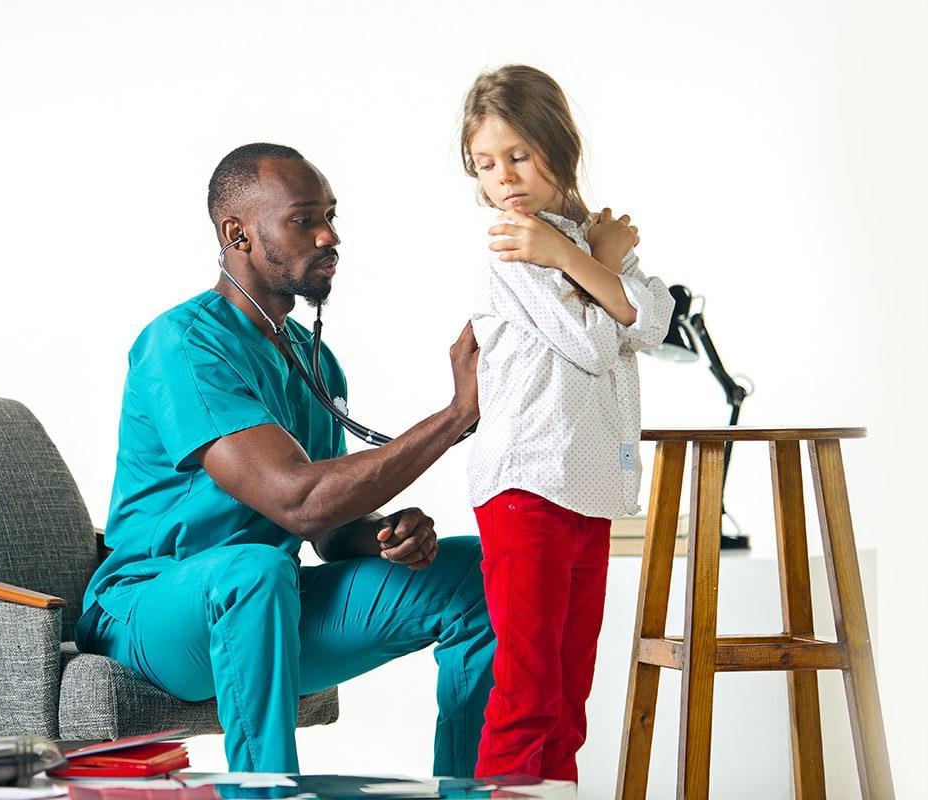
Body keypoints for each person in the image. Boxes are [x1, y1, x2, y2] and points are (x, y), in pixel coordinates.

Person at [76, 143, 497, 776]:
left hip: (267, 599)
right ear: (237, 233)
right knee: (251, 571)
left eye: (331, 215)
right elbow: (296, 501)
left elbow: (326, 529)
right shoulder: (182, 345)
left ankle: (467, 790)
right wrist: (455, 416)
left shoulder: (314, 359)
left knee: (479, 572)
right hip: (150, 613)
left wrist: (381, 533)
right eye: (304, 219)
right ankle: (266, 793)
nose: (330, 236)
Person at [459, 65, 675, 781]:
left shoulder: (588, 238)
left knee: (568, 700)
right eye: (487, 164)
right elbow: (589, 345)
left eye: (519, 155)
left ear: (558, 146)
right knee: (528, 696)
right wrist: (583, 262)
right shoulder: (511, 248)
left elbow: (655, 320)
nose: (504, 179)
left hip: (588, 491)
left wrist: (584, 256)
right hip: (528, 485)